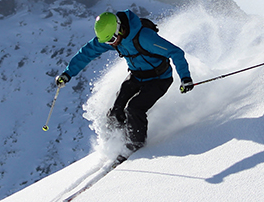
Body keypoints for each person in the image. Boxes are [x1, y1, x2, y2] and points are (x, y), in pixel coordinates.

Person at [55, 9, 193, 153]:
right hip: (136, 76)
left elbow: (175, 52)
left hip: (159, 79)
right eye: (107, 42)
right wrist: (67, 74)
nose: (111, 44)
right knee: (115, 112)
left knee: (134, 108)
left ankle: (135, 146)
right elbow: (86, 53)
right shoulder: (111, 37)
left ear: (120, 29)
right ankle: (117, 142)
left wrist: (185, 78)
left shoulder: (144, 38)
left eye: (112, 40)